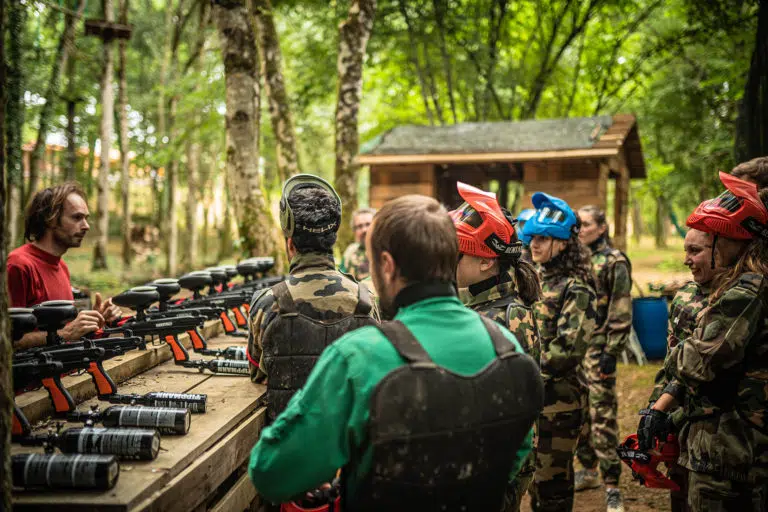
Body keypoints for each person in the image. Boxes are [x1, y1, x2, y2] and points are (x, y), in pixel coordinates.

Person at [249, 194, 544, 510]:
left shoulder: (358, 356)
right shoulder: (506, 346)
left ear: (386, 266)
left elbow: (272, 473)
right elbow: (517, 452)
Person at [639, 172, 768, 511]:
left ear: (729, 243)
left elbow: (696, 363)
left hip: (733, 452)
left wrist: (683, 349)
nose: (687, 259)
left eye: (701, 246)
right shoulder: (738, 289)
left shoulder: (746, 292)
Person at [246, 174, 379, 424]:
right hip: (352, 446)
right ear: (334, 240)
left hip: (289, 444)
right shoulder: (366, 299)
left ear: (290, 244)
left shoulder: (266, 302)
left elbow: (259, 375)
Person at [451, 182, 542, 511]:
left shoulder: (506, 316)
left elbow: (511, 412)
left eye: (457, 253)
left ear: (487, 262)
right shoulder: (480, 307)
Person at [522, 192, 598, 512]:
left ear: (563, 243)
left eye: (544, 238)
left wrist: (524, 374)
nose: (535, 245)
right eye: (533, 238)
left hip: (560, 401)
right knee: (535, 482)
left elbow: (568, 348)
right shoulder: (536, 279)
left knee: (553, 486)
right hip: (534, 396)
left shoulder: (576, 287)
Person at [643, 227, 715, 512]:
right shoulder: (685, 297)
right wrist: (654, 411)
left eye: (695, 251)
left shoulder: (740, 302)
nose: (686, 260)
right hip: (679, 424)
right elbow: (671, 365)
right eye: (686, 250)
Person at [8, 183, 121, 350]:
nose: (86, 226)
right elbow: (7, 340)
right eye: (77, 217)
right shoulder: (18, 265)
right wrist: (66, 333)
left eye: (86, 218)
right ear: (51, 219)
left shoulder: (61, 266)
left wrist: (96, 319)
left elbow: (67, 332)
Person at [573, 205, 632, 511]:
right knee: (579, 411)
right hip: (575, 350)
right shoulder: (576, 258)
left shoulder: (614, 261)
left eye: (585, 224)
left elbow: (621, 308)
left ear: (601, 228)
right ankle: (587, 469)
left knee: (602, 416)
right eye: (577, 225)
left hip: (599, 350)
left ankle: (612, 486)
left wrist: (612, 351)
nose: (580, 230)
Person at [340, 207, 376, 281]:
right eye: (359, 226)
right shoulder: (350, 252)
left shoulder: (386, 249)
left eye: (368, 224)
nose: (364, 230)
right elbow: (341, 279)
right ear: (354, 231)